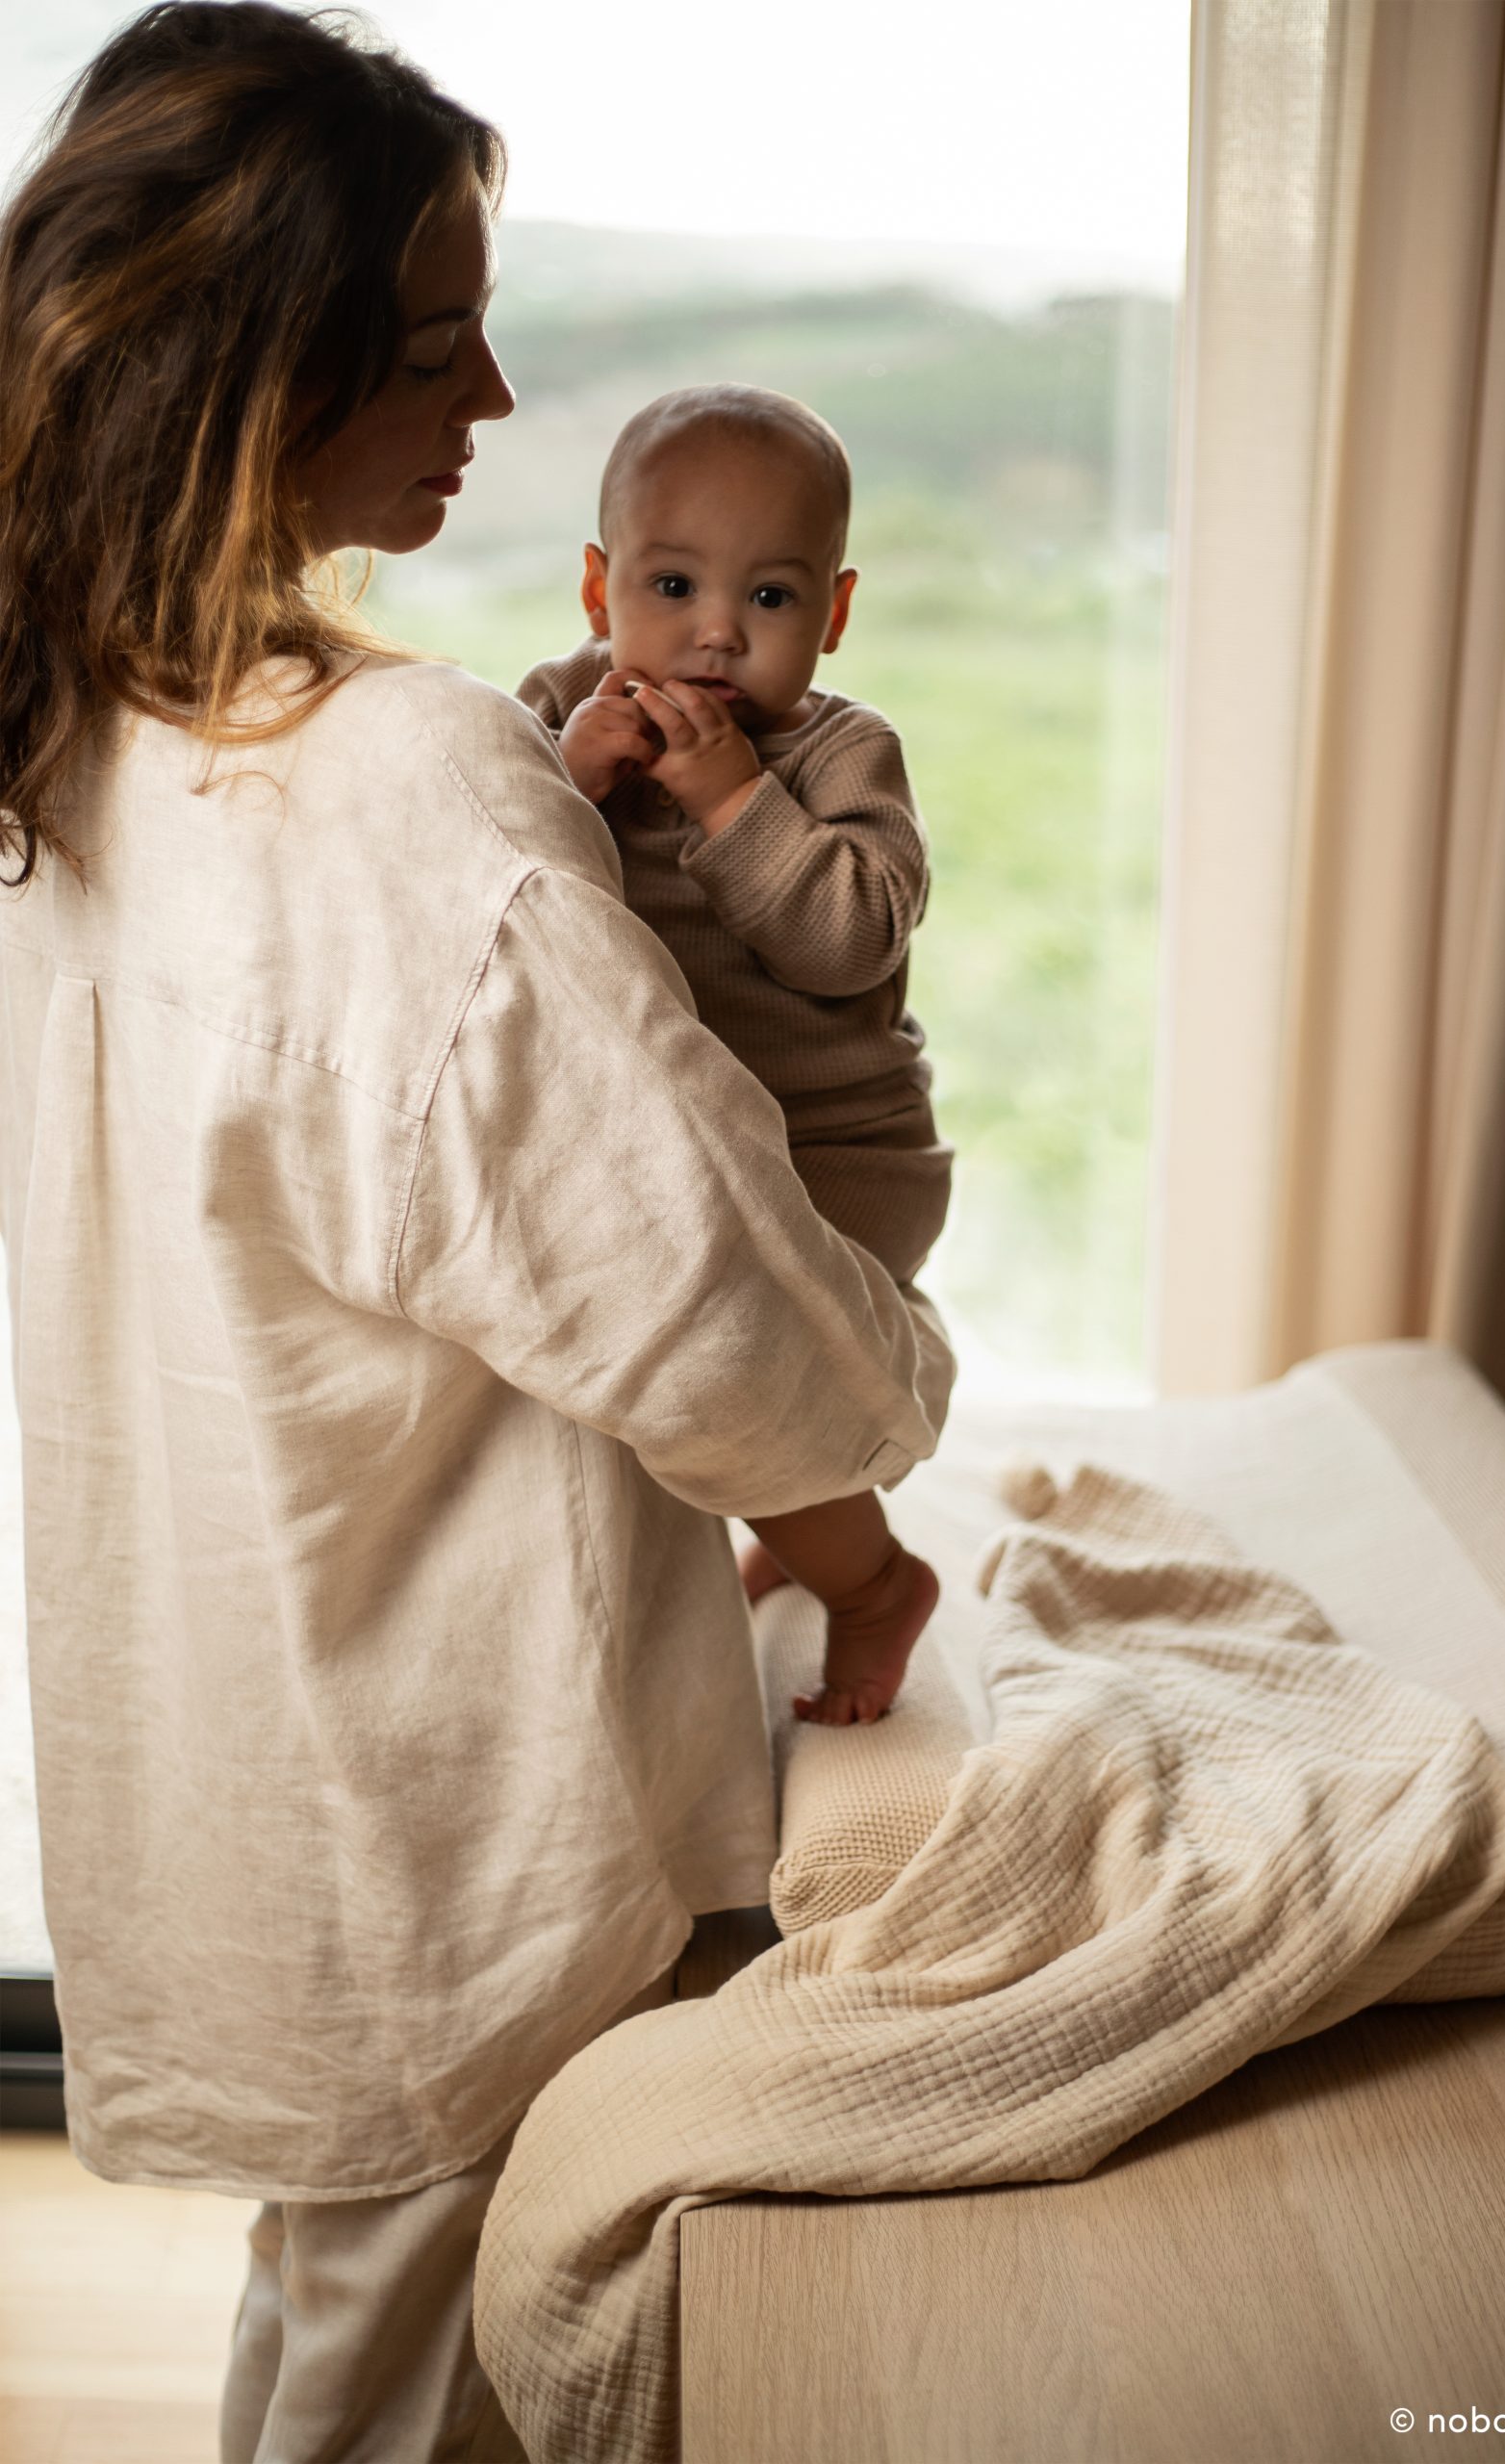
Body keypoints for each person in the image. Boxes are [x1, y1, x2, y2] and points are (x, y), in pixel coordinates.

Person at [0, 8, 952, 2458]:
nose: (502, 394)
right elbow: (696, 1290)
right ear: (262, 371)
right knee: (435, 2376)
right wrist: (855, 1534)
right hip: (452, 1765)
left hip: (230, 1704)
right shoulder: (400, 779)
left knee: (339, 2311)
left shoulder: (69, 730)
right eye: (437, 339)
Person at [519, 387, 954, 1727]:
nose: (717, 632)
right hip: (684, 1148)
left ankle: (874, 1585)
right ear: (600, 590)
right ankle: (804, 1510)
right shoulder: (557, 709)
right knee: (676, 1374)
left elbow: (854, 936)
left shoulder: (836, 752)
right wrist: (563, 785)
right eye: (671, 583)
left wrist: (732, 802)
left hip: (836, 1156)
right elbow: (496, 896)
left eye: (770, 598)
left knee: (725, 1375)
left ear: (831, 616)